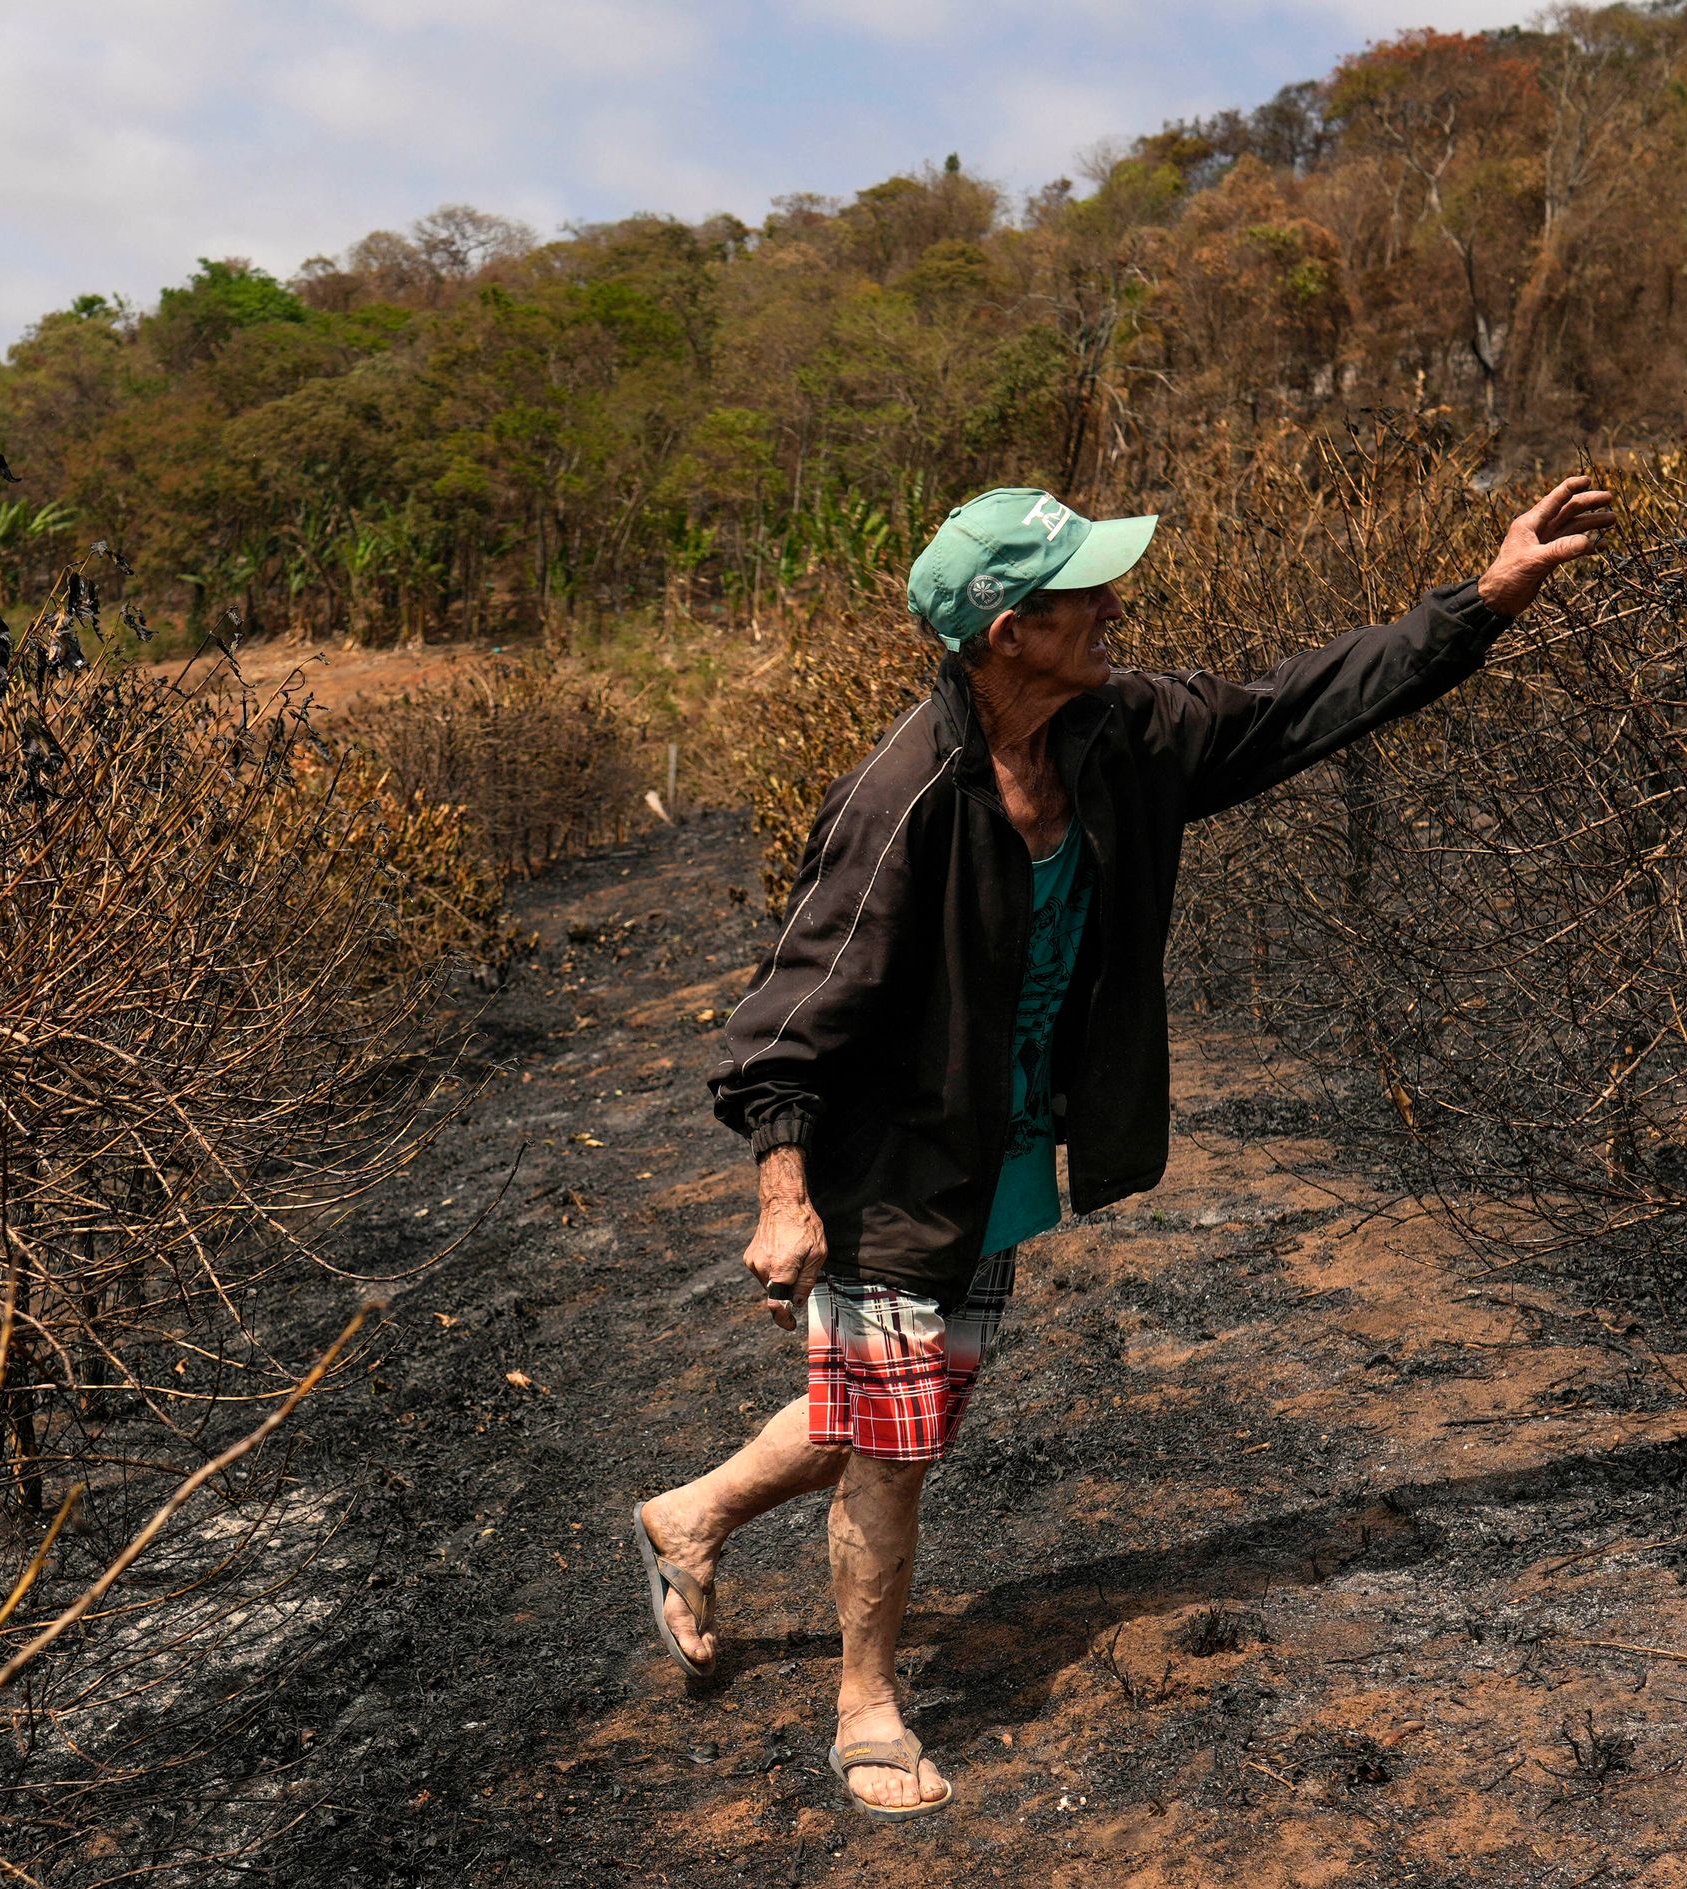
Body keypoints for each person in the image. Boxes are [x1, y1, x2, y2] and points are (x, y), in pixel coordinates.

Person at [630, 475, 1616, 1813]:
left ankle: (689, 1518)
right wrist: (784, 1193)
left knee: (905, 1399)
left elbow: (1297, 708)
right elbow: (783, 1024)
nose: (1111, 607)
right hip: (892, 1165)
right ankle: (866, 1705)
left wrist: (1483, 601)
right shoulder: (903, 803)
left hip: (1002, 1147)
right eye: (1079, 593)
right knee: (896, 1445)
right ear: (1005, 635)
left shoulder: (1124, 734)